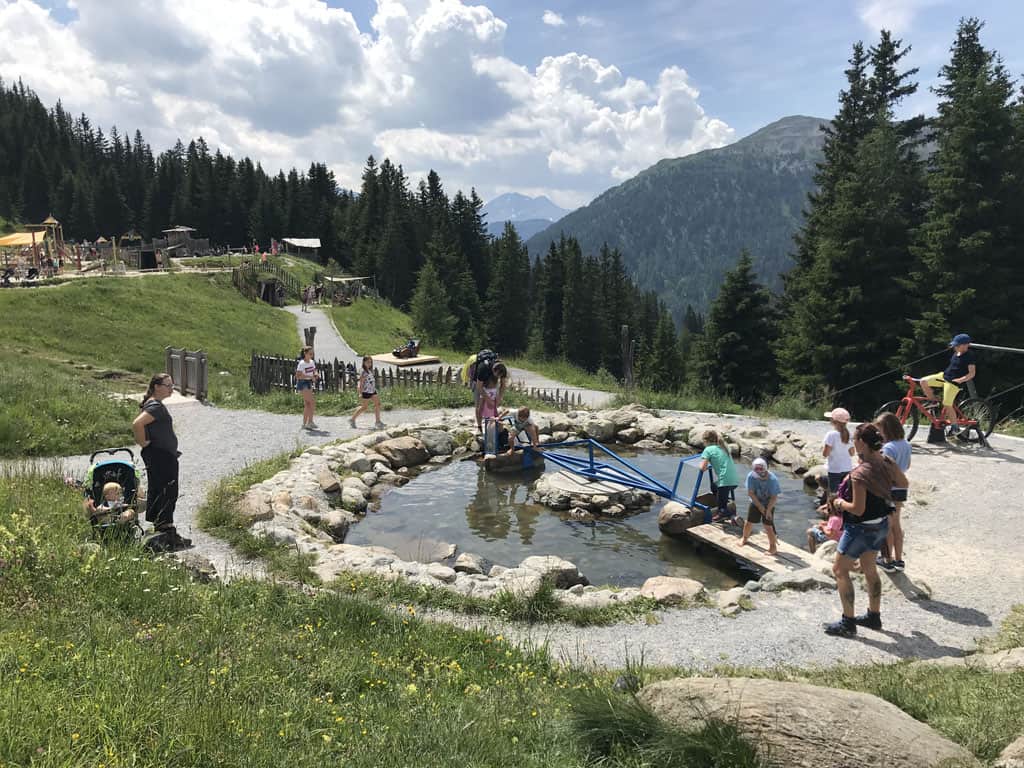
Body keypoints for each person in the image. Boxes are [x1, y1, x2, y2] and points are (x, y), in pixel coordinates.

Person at [825, 422, 909, 637]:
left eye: (855, 439)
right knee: (870, 568)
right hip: (881, 525)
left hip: (859, 529)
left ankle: (848, 623)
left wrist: (840, 504)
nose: (853, 442)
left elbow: (858, 509)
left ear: (862, 442)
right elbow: (904, 483)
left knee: (840, 570)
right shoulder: (885, 462)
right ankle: (874, 616)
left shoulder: (860, 474)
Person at [132, 374, 190, 549]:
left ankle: (162, 527)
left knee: (159, 488)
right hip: (160, 454)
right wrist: (143, 443)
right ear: (157, 386)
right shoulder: (155, 406)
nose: (171, 388)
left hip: (160, 454)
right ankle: (165, 528)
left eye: (172, 385)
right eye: (168, 385)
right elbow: (137, 424)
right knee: (168, 489)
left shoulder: (153, 404)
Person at [876, 411, 912, 573]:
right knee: (897, 524)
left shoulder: (888, 448)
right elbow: (907, 465)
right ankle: (899, 559)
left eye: (880, 430)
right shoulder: (906, 444)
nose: (879, 434)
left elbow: (884, 470)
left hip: (889, 489)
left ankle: (887, 560)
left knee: (887, 526)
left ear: (887, 430)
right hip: (901, 489)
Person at [919, 333, 976, 431]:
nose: (955, 347)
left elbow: (972, 373)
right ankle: (933, 401)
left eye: (957, 345)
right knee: (923, 381)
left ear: (965, 345)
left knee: (947, 404)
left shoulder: (969, 356)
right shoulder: (956, 353)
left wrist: (961, 380)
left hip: (953, 382)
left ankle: (955, 427)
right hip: (944, 376)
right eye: (954, 345)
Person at [700, 430, 739, 525]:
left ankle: (724, 512)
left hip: (725, 482)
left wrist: (702, 464)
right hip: (734, 481)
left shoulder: (708, 450)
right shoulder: (723, 447)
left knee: (722, 507)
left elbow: (702, 468)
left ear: (705, 441)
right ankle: (724, 504)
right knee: (714, 486)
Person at [742, 457, 780, 554]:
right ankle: (745, 538)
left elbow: (774, 497)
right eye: (756, 470)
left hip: (769, 503)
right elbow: (751, 493)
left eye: (761, 470)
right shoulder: (751, 476)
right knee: (749, 522)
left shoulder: (772, 480)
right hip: (755, 501)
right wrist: (759, 506)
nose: (759, 473)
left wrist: (767, 510)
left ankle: (773, 547)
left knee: (767, 525)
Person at [822, 407, 855, 492]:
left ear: (834, 421)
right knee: (843, 492)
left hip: (834, 469)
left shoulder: (831, 434)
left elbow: (825, 454)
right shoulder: (849, 434)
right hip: (847, 468)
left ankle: (831, 504)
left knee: (833, 493)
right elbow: (852, 453)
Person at [350, 355, 384, 430]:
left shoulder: (369, 370)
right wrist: (360, 392)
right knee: (364, 407)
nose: (369, 364)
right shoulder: (363, 371)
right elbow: (361, 382)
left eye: (370, 362)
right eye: (368, 362)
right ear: (364, 362)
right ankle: (352, 419)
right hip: (366, 391)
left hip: (372, 390)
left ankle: (378, 421)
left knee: (378, 404)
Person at [295, 346, 320, 430]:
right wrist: (309, 377)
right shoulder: (302, 363)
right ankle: (310, 422)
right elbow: (298, 375)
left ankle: (305, 423)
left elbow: (314, 370)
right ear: (305, 353)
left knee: (307, 404)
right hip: (303, 383)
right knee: (312, 402)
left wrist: (316, 374)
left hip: (308, 383)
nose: (311, 355)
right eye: (310, 353)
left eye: (312, 353)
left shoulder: (312, 362)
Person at [480, 374, 502, 460]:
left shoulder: (495, 390)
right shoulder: (484, 390)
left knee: (493, 427)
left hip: (492, 411)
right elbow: (481, 402)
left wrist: (496, 413)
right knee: (488, 427)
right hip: (486, 411)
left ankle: (494, 444)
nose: (492, 384)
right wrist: (480, 411)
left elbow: (496, 403)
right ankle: (489, 446)